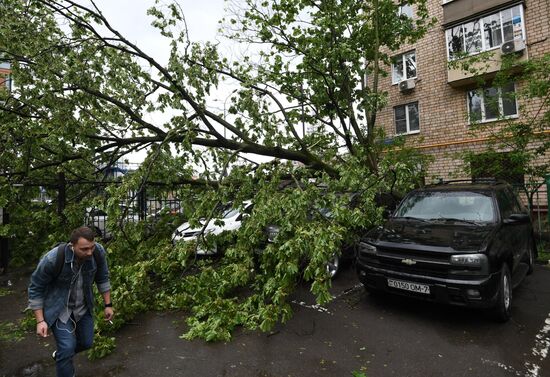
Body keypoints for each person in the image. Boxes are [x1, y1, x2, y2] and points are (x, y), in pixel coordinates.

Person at [28, 226, 114, 377]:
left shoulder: (97, 253)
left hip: (83, 306)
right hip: (59, 309)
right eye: (84, 249)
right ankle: (65, 360)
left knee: (86, 343)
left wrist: (108, 305)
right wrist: (40, 321)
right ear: (72, 246)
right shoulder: (53, 259)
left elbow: (102, 278)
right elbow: (36, 288)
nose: (89, 252)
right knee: (67, 347)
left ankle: (61, 355)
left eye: (91, 247)